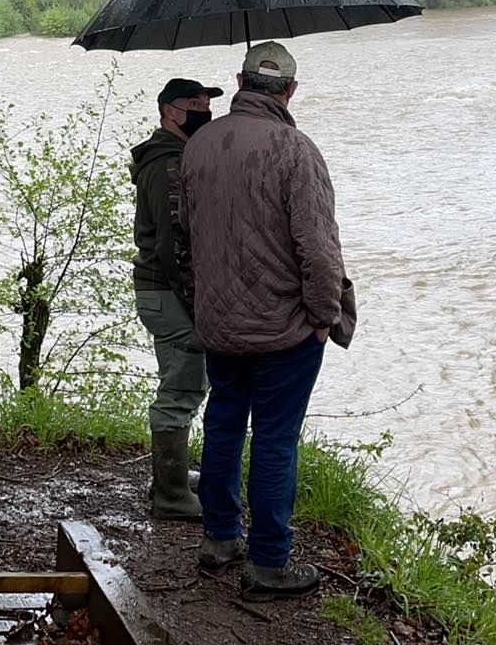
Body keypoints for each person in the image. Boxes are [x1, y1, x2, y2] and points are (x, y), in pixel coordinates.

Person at [179, 41, 354, 599]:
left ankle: (219, 539)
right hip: (284, 331)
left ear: (239, 81)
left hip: (220, 326)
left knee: (224, 424)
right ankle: (270, 562)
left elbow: (187, 236)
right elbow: (319, 251)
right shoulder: (295, 149)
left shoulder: (199, 144)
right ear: (290, 91)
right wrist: (324, 318)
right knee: (276, 440)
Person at [129, 76, 222, 520]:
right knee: (183, 387)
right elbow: (174, 246)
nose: (203, 110)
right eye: (193, 103)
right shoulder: (168, 164)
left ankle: (172, 477)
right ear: (169, 111)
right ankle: (170, 495)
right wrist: (197, 303)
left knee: (182, 380)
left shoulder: (174, 157)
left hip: (157, 292)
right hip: (168, 292)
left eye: (206, 102)